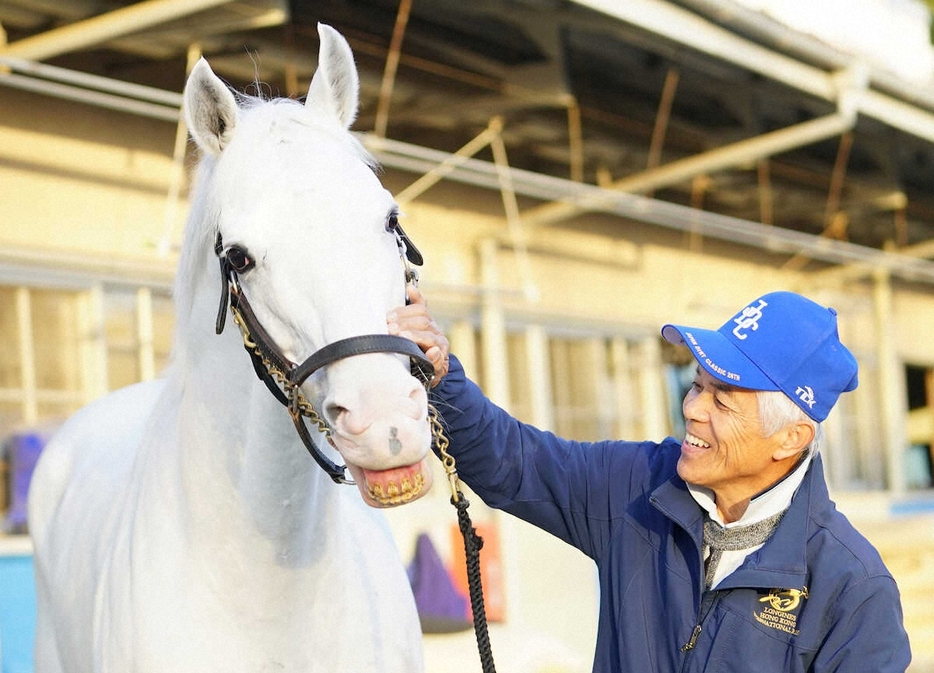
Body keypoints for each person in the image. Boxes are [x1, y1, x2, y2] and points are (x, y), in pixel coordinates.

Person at [388, 287, 911, 673]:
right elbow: (514, 461)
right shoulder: (637, 487)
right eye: (695, 385)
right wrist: (439, 377)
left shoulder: (852, 589)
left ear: (790, 438)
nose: (693, 409)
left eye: (721, 399)